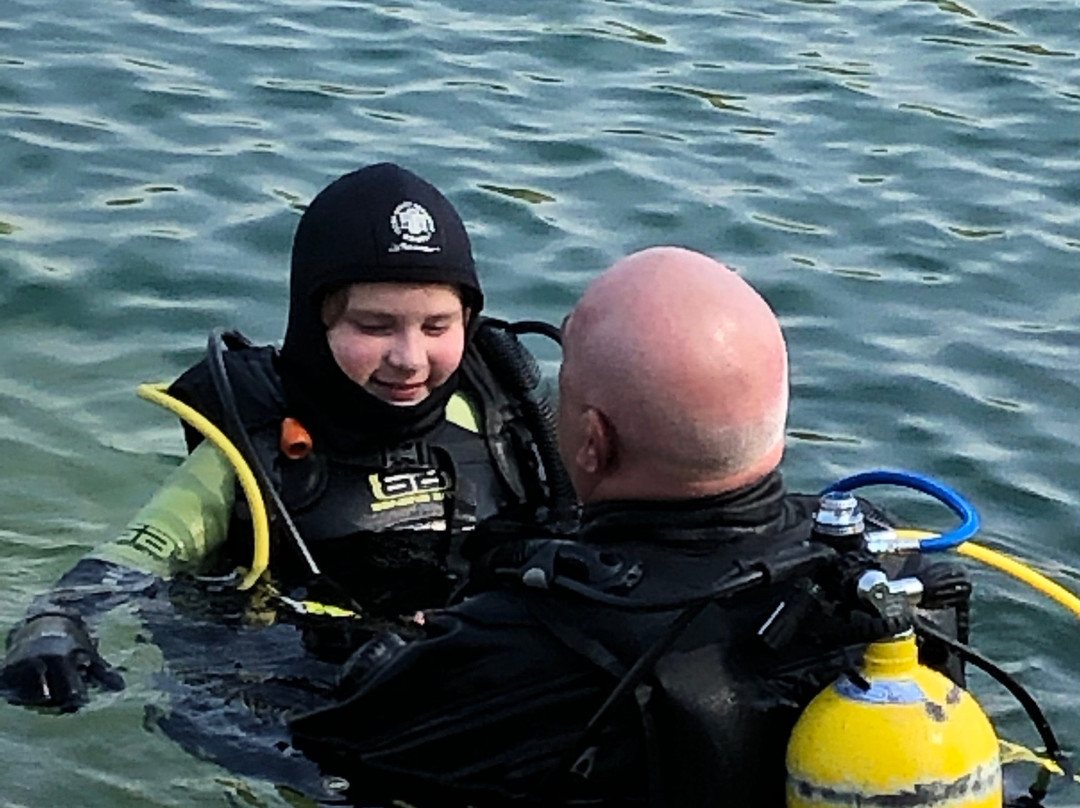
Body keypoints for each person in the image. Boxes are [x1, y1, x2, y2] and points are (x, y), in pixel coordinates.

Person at [289, 246, 972, 807]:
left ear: (591, 442)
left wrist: (369, 655)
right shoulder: (889, 577)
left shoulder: (528, 643)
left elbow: (304, 752)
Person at [0, 163, 574, 794]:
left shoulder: (503, 418)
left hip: (460, 681)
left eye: (437, 327)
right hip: (292, 705)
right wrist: (51, 627)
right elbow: (132, 557)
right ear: (314, 322)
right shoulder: (251, 450)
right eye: (374, 326)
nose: (410, 358)